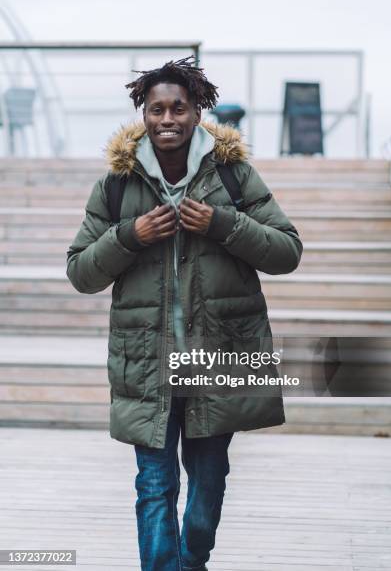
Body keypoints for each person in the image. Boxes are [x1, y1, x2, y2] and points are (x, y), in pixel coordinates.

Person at [66, 56, 303, 571]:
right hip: (145, 365)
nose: (167, 118)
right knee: (154, 487)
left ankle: (192, 559)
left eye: (179, 108)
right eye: (157, 109)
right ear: (142, 114)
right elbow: (81, 272)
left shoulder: (233, 176)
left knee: (208, 483)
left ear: (197, 113)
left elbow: (287, 251)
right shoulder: (116, 184)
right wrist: (130, 235)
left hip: (218, 360)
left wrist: (224, 224)